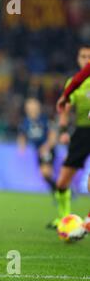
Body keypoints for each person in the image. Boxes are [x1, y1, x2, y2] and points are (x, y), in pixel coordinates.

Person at [50, 44, 90, 236]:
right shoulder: (73, 82)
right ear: (78, 58)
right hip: (81, 133)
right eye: (83, 56)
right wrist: (64, 130)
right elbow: (65, 108)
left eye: (88, 57)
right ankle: (64, 219)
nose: (86, 60)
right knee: (62, 181)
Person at [17, 98, 57, 198]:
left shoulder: (44, 119)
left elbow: (52, 136)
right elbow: (22, 135)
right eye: (29, 107)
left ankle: (61, 191)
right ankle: (60, 190)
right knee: (44, 175)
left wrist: (46, 146)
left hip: (47, 149)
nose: (31, 109)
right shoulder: (26, 121)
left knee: (45, 172)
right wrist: (22, 146)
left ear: (38, 108)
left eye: (33, 106)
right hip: (38, 151)